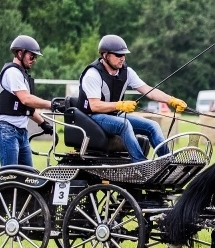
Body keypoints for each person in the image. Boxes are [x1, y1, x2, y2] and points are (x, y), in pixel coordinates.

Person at [78, 34, 187, 162]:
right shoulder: (93, 74)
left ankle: (168, 162)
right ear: (105, 55)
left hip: (113, 115)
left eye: (124, 55)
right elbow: (94, 106)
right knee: (124, 124)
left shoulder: (127, 72)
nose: (122, 58)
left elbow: (149, 91)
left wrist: (171, 100)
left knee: (152, 125)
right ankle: (141, 163)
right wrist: (119, 105)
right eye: (118, 55)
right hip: (92, 118)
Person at [0, 35, 57, 167]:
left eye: (35, 57)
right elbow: (26, 99)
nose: (34, 60)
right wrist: (51, 105)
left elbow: (26, 109)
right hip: (6, 130)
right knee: (10, 177)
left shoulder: (22, 75)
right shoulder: (12, 72)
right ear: (20, 53)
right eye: (32, 56)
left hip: (21, 131)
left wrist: (44, 124)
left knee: (28, 177)